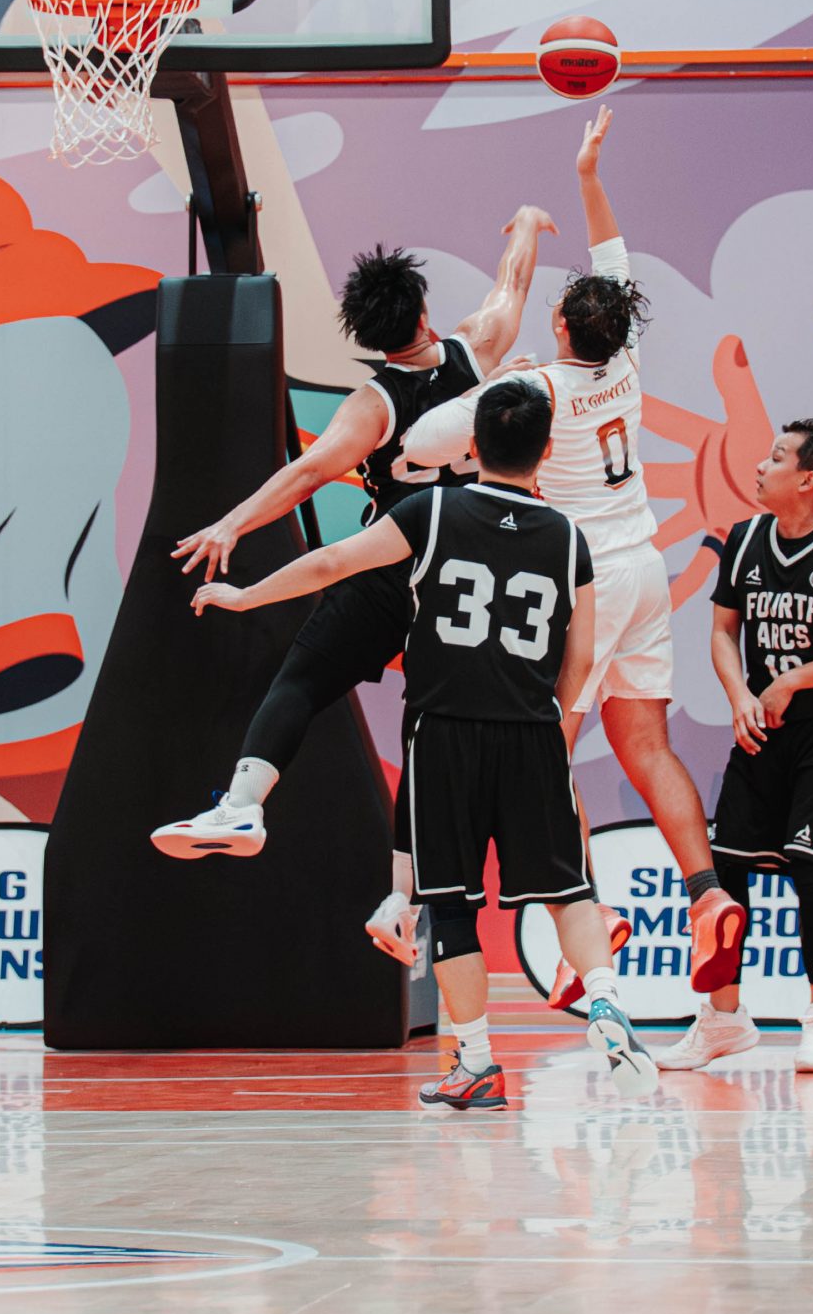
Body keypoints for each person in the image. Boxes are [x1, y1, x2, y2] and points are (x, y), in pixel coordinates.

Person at [193, 377, 657, 1110]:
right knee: (568, 891)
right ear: (545, 453)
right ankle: (603, 999)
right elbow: (581, 655)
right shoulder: (569, 538)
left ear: (471, 446)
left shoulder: (430, 510)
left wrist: (246, 596)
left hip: (445, 733)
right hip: (533, 735)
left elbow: (331, 565)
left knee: (451, 908)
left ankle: (475, 1063)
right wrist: (549, 719)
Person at [399, 105, 743, 1006]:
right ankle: (707, 895)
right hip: (646, 568)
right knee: (647, 746)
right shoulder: (623, 359)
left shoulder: (536, 388)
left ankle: (582, 925)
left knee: (543, 757)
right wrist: (588, 174)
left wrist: (470, 399)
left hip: (580, 580)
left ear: (557, 324)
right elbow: (612, 256)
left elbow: (426, 443)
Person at [151, 206, 558, 959]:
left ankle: (243, 804)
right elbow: (513, 286)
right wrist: (529, 225)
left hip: (390, 561)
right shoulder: (476, 351)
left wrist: (230, 526)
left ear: (370, 339)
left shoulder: (373, 404)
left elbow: (307, 473)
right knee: (422, 731)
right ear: (425, 313)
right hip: (461, 575)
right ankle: (399, 900)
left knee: (303, 678)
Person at [666, 419, 813, 1077]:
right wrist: (739, 695)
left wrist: (793, 679)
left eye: (775, 458)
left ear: (807, 480)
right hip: (762, 724)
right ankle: (724, 1019)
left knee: (807, 861)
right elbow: (721, 631)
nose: (760, 467)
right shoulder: (743, 540)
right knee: (725, 869)